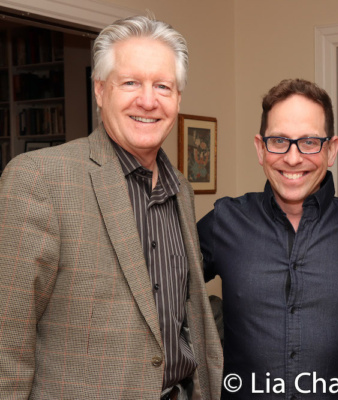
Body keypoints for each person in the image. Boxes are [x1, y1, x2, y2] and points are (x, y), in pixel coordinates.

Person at [0, 15, 222, 400]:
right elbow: (6, 338)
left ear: (178, 98)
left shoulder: (181, 189)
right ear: (101, 90)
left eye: (163, 86)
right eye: (131, 82)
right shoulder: (40, 179)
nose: (148, 100)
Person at [196, 78, 338, 399]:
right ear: (260, 148)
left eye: (309, 142)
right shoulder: (225, 221)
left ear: (331, 149)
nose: (293, 158)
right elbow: (160, 291)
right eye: (279, 141)